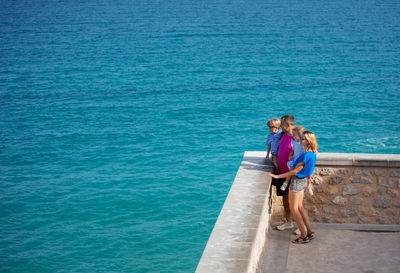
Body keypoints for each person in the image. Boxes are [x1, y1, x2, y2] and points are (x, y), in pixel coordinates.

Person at [269, 131, 318, 244]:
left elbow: (295, 171)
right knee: (300, 207)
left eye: (303, 139)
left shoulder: (305, 156)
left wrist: (277, 176)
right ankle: (310, 232)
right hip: (303, 181)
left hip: (297, 181)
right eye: (301, 138)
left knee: (294, 209)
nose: (301, 140)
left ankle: (303, 236)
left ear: (308, 141)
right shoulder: (312, 154)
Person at [272, 114, 295, 231]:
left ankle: (302, 226)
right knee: (285, 199)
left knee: (295, 201)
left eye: (282, 125)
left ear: (288, 125)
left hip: (292, 174)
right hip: (281, 172)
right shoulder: (282, 135)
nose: (280, 127)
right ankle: (288, 221)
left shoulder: (297, 137)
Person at [280, 126, 305, 191]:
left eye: (294, 135)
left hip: (300, 160)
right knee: (291, 170)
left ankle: (309, 185)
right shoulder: (294, 142)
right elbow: (292, 150)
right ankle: (286, 183)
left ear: (300, 135)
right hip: (295, 159)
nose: (293, 136)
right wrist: (290, 155)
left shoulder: (303, 143)